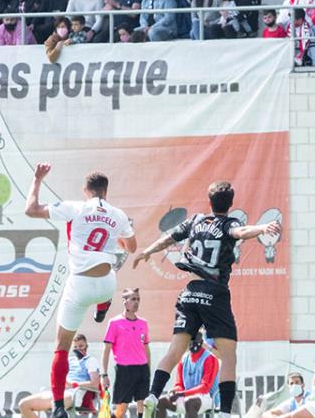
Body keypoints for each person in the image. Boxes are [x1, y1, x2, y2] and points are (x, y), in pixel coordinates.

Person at [133, 182, 282, 418]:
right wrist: (263, 228)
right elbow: (240, 233)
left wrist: (147, 251)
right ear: (231, 204)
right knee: (229, 355)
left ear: (209, 200)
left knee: (174, 351)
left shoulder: (195, 221)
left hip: (190, 292)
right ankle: (224, 413)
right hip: (214, 293)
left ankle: (152, 395)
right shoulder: (229, 223)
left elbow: (168, 239)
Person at [25, 165, 136, 418]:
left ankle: (57, 407)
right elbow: (131, 246)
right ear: (106, 192)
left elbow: (30, 209)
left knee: (62, 346)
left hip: (80, 285)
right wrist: (116, 236)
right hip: (107, 282)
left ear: (85, 191)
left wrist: (37, 179)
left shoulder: (75, 207)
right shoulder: (117, 214)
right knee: (107, 277)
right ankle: (103, 305)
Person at [101, 289, 150, 418]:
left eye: (138, 299)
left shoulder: (143, 323)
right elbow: (106, 350)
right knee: (121, 408)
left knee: (143, 405)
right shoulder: (114, 323)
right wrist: (104, 374)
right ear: (124, 302)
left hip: (142, 368)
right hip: (124, 370)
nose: (136, 302)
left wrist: (148, 368)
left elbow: (146, 347)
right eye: (133, 299)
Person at [151, 332, 219, 418]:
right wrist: (174, 391)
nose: (192, 344)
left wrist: (182, 394)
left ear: (201, 342)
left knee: (190, 402)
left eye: (195, 341)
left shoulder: (210, 358)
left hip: (208, 397)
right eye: (189, 341)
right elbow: (179, 385)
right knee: (161, 401)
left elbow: (205, 387)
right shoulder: (183, 359)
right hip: (186, 395)